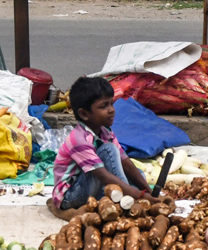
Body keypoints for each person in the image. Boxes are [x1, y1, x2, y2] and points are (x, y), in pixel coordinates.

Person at [47, 76, 155, 220]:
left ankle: (117, 200)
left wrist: (148, 191)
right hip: (71, 196)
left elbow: (126, 162)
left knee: (139, 175)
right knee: (108, 150)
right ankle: (123, 203)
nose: (111, 110)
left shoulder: (105, 131)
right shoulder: (79, 139)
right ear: (84, 114)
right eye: (103, 106)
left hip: (91, 185)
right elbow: (103, 175)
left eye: (111, 103)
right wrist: (138, 196)